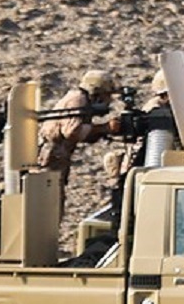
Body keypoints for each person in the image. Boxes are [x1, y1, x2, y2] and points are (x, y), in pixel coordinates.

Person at [37, 70, 121, 217]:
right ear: (97, 92)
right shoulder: (78, 100)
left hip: (56, 158)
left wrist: (101, 132)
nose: (108, 101)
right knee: (49, 206)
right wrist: (104, 128)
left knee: (54, 204)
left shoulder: (81, 100)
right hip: (49, 159)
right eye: (106, 95)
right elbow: (71, 132)